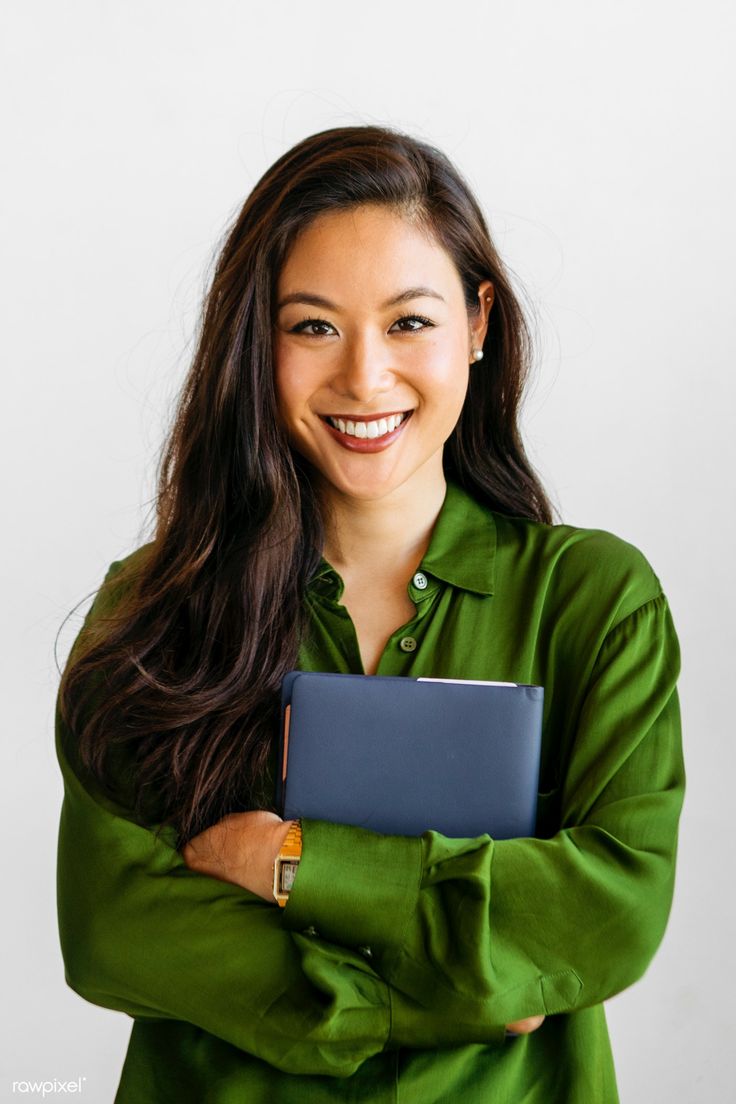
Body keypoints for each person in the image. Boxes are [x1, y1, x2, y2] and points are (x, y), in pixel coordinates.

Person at [55, 125, 685, 1103]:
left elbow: (609, 912)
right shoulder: (151, 608)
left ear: (478, 323)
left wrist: (288, 862)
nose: (361, 377)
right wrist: (428, 996)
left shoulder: (591, 601)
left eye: (408, 322)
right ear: (255, 342)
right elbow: (114, 932)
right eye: (312, 326)